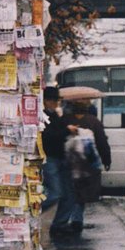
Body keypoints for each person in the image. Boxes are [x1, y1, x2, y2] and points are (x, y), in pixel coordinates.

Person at [61, 99, 110, 234]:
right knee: (81, 190)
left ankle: (69, 218)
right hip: (87, 164)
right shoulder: (93, 121)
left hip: (69, 162)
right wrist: (106, 160)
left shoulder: (65, 120)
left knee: (70, 190)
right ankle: (77, 219)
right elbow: (102, 142)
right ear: (86, 109)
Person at [43, 87, 79, 239]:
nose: (56, 103)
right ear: (47, 101)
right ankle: (31, 210)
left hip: (60, 157)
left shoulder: (55, 115)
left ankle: (59, 224)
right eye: (54, 101)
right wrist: (67, 131)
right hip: (50, 158)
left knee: (70, 194)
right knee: (56, 193)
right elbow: (49, 135)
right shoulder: (43, 116)